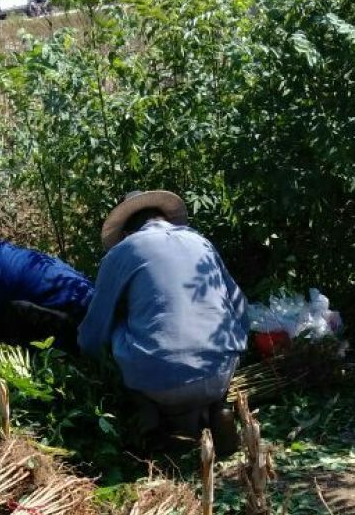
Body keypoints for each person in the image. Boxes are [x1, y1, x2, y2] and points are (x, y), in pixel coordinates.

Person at [77, 190, 248, 452]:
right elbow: (239, 303)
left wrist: (87, 358)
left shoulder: (123, 251)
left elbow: (94, 329)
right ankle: (217, 408)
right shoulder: (201, 242)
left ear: (126, 231)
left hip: (159, 381)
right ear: (165, 217)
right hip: (221, 371)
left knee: (118, 325)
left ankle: (151, 421)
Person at [0, 212, 94, 362]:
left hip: (78, 329)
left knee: (8, 319)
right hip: (94, 310)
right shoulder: (5, 251)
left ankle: (59, 357)